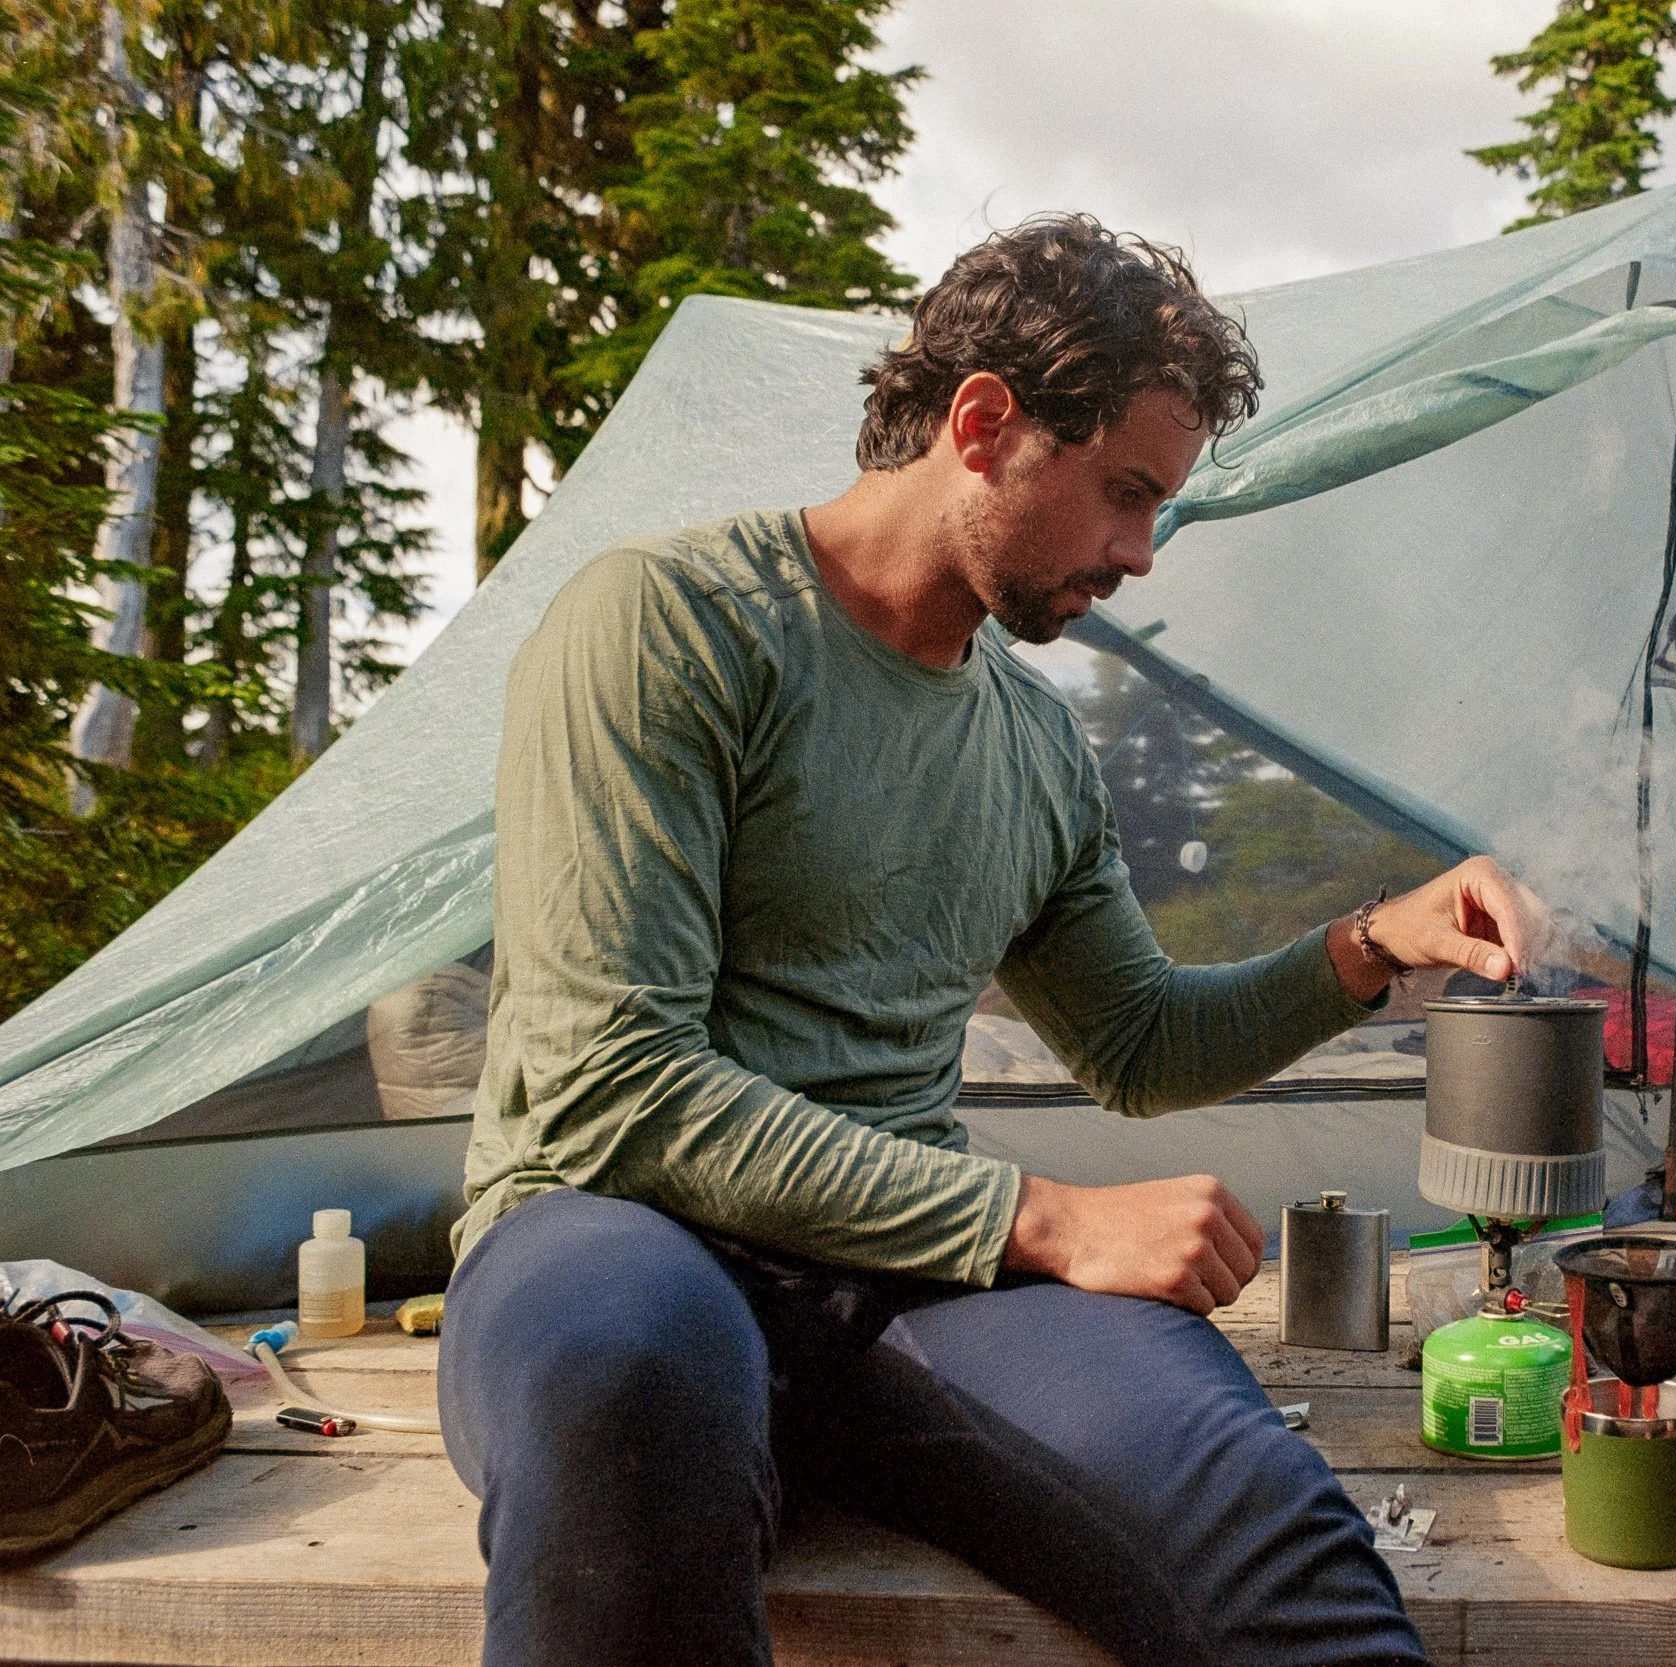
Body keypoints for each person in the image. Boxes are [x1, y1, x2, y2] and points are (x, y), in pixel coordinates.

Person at [437, 215, 1535, 1667]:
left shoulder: (1031, 744)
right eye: (1125, 495)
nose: (1140, 554)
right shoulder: (669, 628)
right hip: (606, 1236)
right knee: (627, 1379)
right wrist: (1048, 1217)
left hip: (900, 1279)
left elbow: (1136, 1040)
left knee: (1279, 1544)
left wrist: (1373, 945)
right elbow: (614, 1087)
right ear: (982, 423)